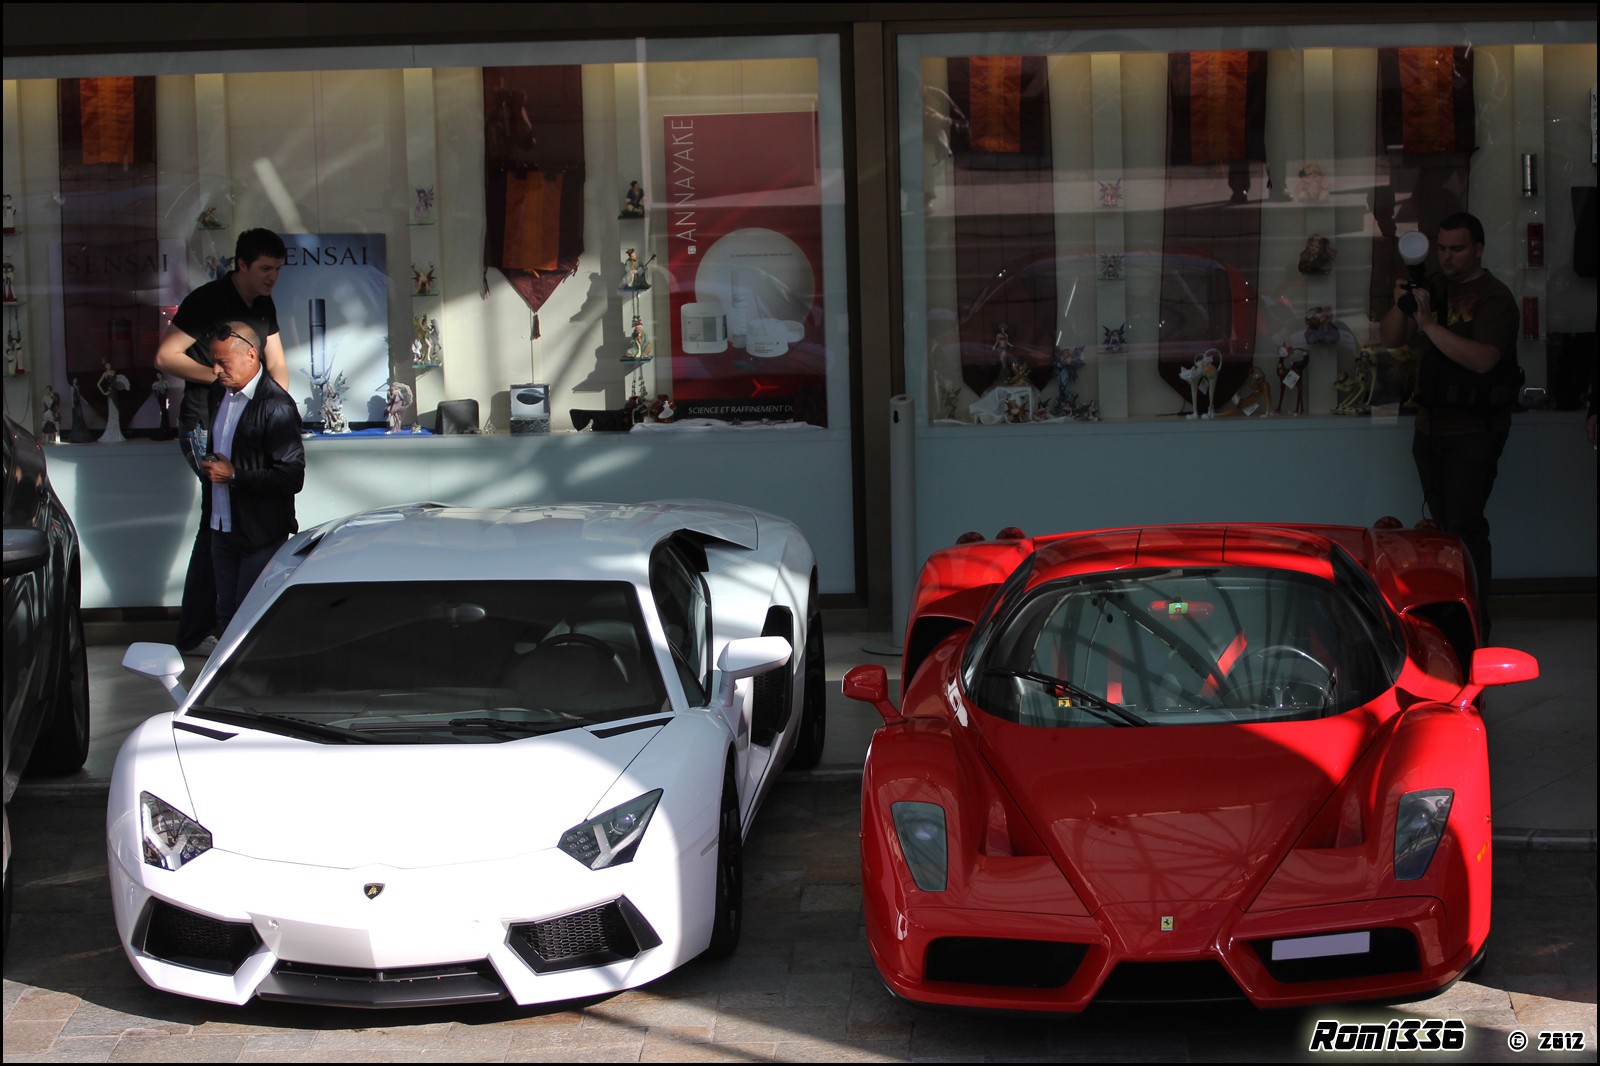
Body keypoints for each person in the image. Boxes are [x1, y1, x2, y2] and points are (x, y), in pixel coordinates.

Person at [1380, 212, 1520, 637]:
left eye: (1457, 249)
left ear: (1478, 249)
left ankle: (1477, 621)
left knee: (1464, 526)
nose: (1447, 257)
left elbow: (1483, 359)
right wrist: (1402, 302)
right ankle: (1446, 613)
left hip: (1474, 429)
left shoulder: (1494, 297)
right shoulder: (1434, 286)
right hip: (1430, 426)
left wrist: (1428, 324)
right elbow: (1391, 338)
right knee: (1440, 528)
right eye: (1441, 249)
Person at [154, 228, 289, 655]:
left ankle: (219, 625)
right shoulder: (207, 300)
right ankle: (205, 629)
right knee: (219, 521)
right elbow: (165, 356)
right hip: (205, 424)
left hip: (248, 426)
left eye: (278, 270)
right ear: (242, 265)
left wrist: (277, 412)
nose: (272, 278)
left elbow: (277, 363)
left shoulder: (264, 305)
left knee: (226, 520)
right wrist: (221, 374)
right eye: (265, 269)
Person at [199, 322, 305, 636]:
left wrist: (236, 476)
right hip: (222, 528)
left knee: (251, 620)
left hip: (259, 535)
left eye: (223, 363)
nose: (215, 370)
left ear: (250, 355)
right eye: (213, 361)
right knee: (227, 616)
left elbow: (292, 476)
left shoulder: (276, 407)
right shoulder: (219, 394)